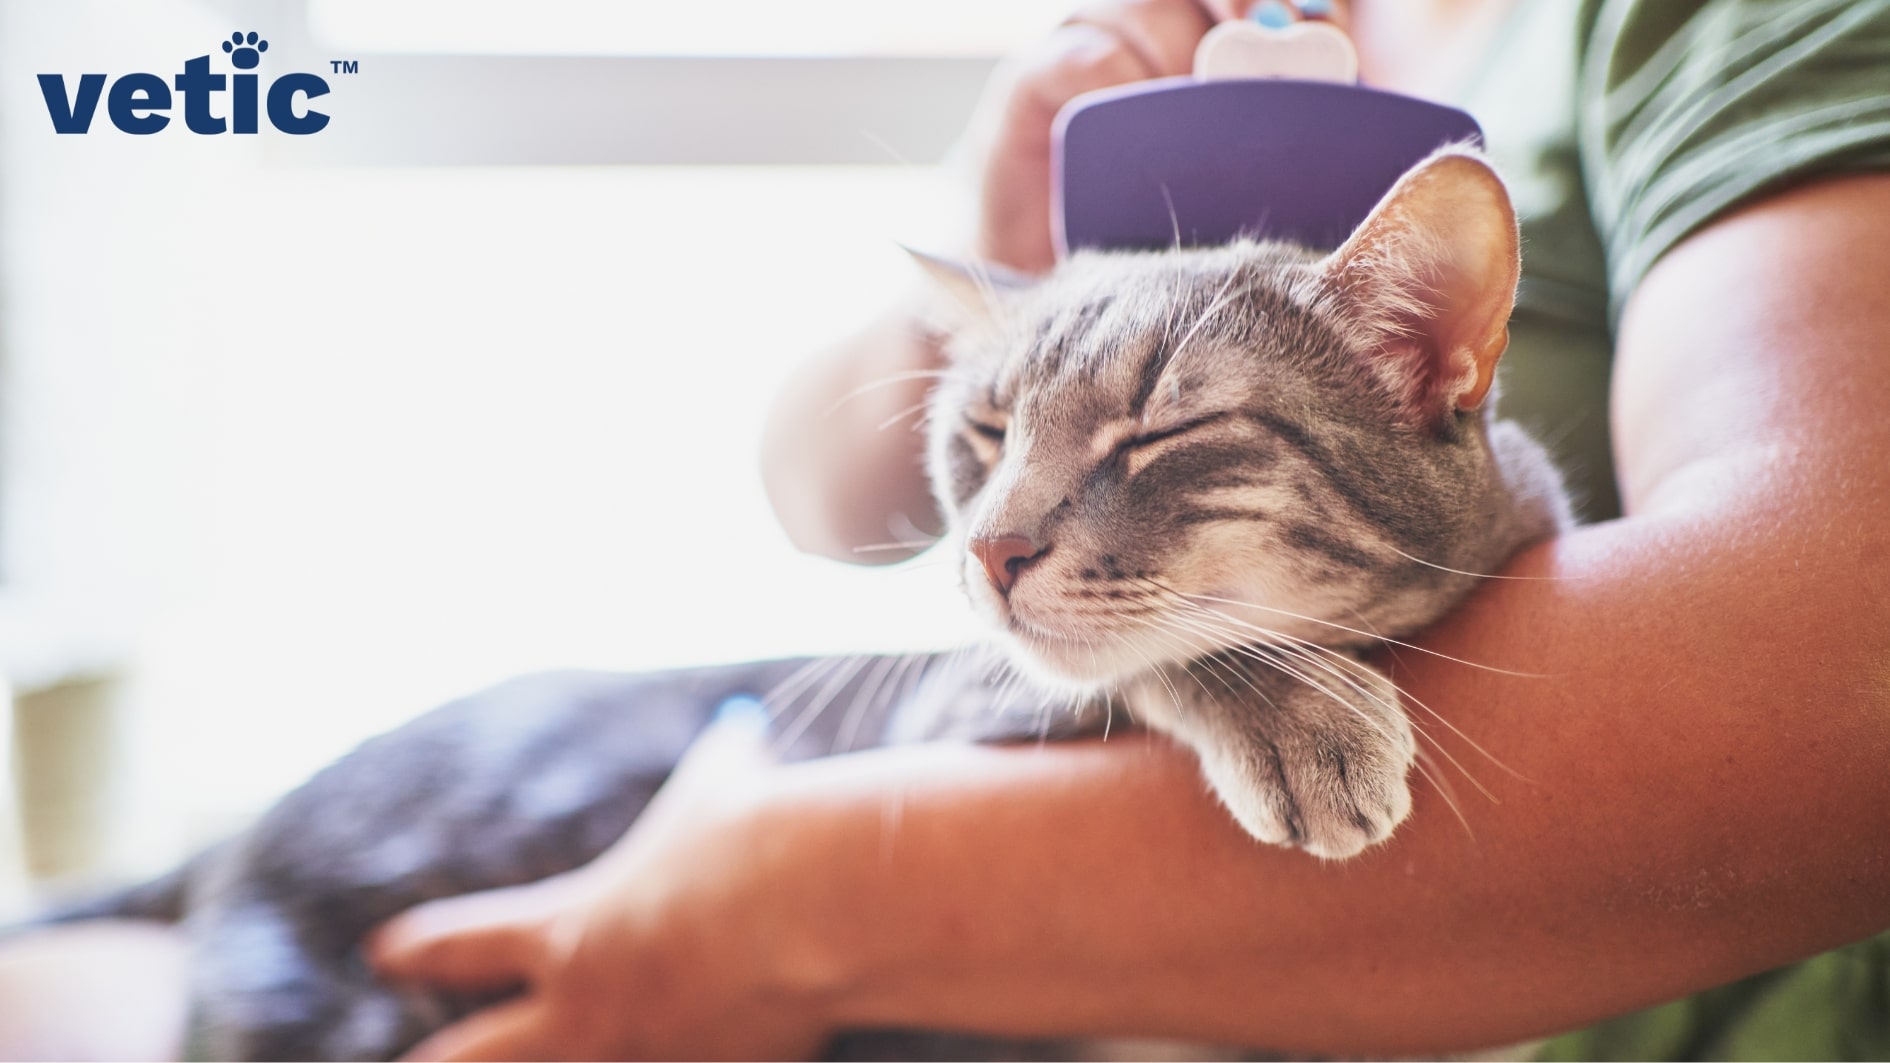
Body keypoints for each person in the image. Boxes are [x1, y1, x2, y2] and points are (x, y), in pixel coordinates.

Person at [4, 0, 1886, 1058]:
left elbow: (1831, 657)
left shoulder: (1695, 35)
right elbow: (840, 502)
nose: (986, 540)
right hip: (507, 840)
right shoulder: (1170, 38)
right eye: (988, 468)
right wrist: (970, 304)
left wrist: (799, 908)